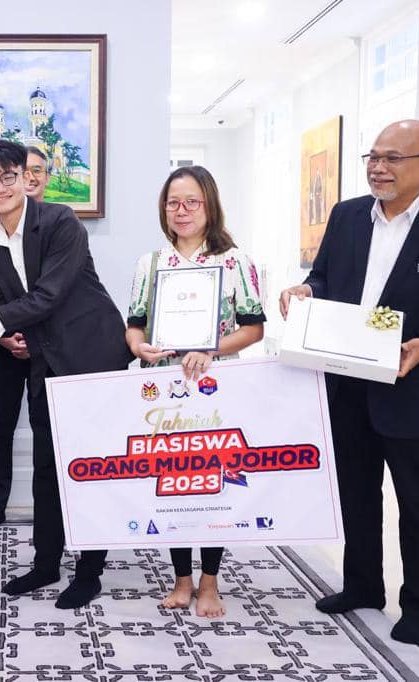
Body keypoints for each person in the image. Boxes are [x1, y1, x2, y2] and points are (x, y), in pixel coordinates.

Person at [279, 120, 419, 647]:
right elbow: (325, 277)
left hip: (415, 389)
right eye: (373, 157)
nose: (378, 168)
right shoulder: (347, 215)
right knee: (356, 496)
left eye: (392, 158)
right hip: (348, 385)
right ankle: (362, 586)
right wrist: (306, 290)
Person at [0, 139, 133, 609]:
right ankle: (46, 564)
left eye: (7, 177)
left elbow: (47, 296)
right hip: (45, 360)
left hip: (92, 354)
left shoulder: (60, 221)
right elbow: (4, 303)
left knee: (88, 467)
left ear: (25, 177)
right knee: (46, 467)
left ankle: (89, 572)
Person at [125, 166, 265, 618]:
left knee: (211, 483)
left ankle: (210, 582)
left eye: (191, 202)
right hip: (165, 389)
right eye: (173, 203)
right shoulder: (150, 264)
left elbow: (254, 329)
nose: (181, 211)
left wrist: (210, 349)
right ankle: (181, 580)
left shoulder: (235, 262)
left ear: (210, 206)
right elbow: (134, 325)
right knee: (174, 481)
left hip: (216, 387)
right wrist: (139, 347)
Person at [0, 145, 52, 535]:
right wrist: (0, 335)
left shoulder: (57, 224)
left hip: (47, 347)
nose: (29, 177)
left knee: (47, 429)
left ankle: (49, 510)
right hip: (1, 345)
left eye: (36, 171)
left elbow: (57, 294)